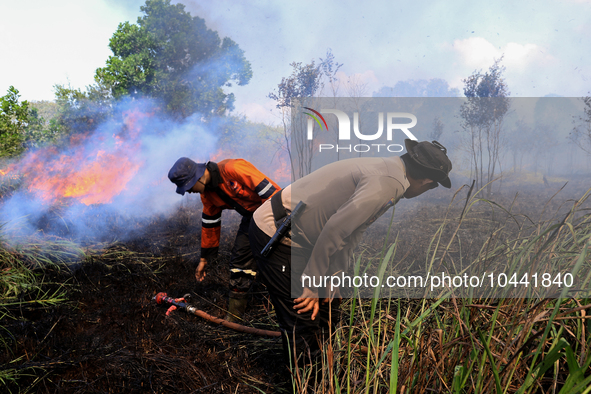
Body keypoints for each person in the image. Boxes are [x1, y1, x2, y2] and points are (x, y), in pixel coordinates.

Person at [248, 139, 452, 369]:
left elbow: (351, 233)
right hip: (276, 231)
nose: (429, 190)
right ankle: (307, 380)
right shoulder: (389, 181)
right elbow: (335, 229)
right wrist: (312, 283)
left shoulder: (392, 172)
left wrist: (332, 277)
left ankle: (325, 372)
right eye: (433, 185)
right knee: (302, 317)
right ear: (426, 180)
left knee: (328, 306)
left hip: (304, 237)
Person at [168, 157, 281, 322]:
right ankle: (235, 317)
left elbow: (273, 195)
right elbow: (210, 225)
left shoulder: (234, 169)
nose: (190, 191)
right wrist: (204, 259)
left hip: (275, 211)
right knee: (239, 262)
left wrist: (273, 226)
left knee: (281, 256)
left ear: (198, 177)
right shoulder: (207, 195)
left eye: (189, 186)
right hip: (251, 218)